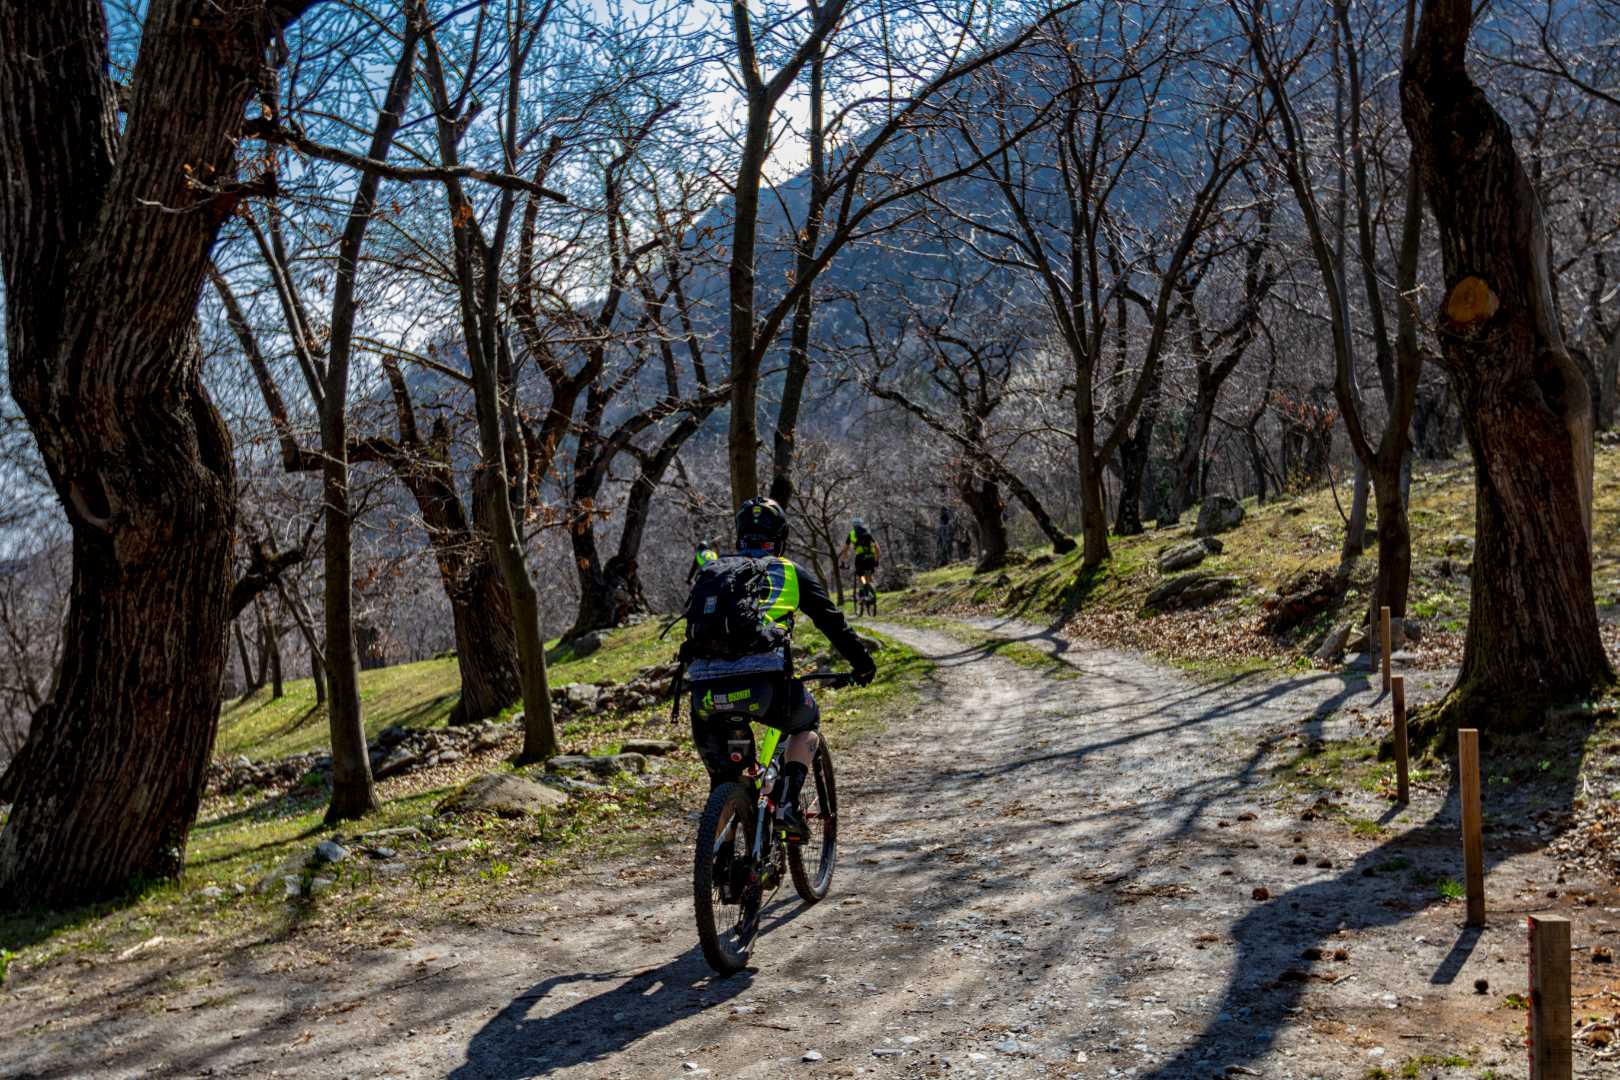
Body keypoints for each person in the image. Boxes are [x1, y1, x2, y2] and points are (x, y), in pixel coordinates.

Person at [685, 497, 875, 841]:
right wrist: (863, 664)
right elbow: (832, 623)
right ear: (781, 536)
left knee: (726, 780)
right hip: (765, 688)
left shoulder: (713, 571)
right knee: (807, 724)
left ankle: (723, 869)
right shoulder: (788, 571)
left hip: (704, 694)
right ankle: (787, 804)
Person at [839, 517, 880, 594]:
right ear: (862, 524)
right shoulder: (868, 533)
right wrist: (877, 560)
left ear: (853, 526)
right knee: (870, 574)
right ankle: (871, 590)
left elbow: (845, 550)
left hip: (860, 558)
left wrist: (843, 561)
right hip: (871, 556)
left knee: (860, 575)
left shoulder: (851, 534)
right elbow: (877, 547)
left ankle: (864, 586)